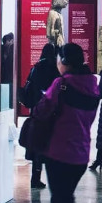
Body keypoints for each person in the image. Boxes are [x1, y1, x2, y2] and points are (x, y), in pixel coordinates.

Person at [31, 43, 100, 203]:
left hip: (59, 153)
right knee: (63, 202)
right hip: (81, 154)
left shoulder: (61, 84)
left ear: (63, 60)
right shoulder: (92, 85)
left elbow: (41, 110)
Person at [21, 43, 61, 188]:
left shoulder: (36, 68)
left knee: (37, 145)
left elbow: (32, 88)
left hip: (37, 112)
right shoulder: (55, 70)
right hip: (52, 112)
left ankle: (35, 177)